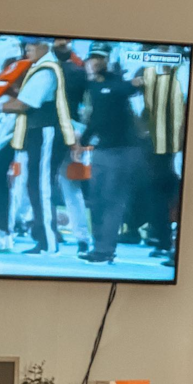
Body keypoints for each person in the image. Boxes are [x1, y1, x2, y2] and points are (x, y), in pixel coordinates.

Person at [0, 37, 75, 254]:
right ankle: (42, 238)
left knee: (42, 187)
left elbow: (24, 104)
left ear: (45, 45)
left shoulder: (46, 70)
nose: (27, 48)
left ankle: (48, 242)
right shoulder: (39, 67)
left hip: (45, 132)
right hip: (38, 134)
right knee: (35, 186)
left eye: (32, 44)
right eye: (26, 44)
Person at [78, 42, 143, 264]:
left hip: (122, 150)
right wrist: (82, 142)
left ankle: (105, 249)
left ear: (108, 60)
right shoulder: (93, 87)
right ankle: (99, 246)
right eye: (93, 57)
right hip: (102, 149)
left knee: (112, 200)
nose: (96, 62)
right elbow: (95, 118)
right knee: (96, 200)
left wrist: (133, 82)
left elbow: (128, 89)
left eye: (100, 58)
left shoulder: (116, 83)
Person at [138, 44, 187, 265]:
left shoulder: (183, 76)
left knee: (178, 196)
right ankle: (164, 242)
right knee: (157, 194)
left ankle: (173, 247)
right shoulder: (152, 76)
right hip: (158, 147)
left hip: (176, 147)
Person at [52, 38, 90, 253]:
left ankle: (48, 232)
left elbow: (86, 105)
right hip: (70, 130)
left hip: (59, 131)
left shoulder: (72, 72)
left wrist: (79, 133)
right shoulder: (79, 71)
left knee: (46, 185)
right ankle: (80, 237)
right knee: (71, 189)